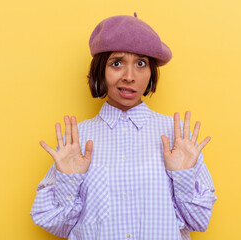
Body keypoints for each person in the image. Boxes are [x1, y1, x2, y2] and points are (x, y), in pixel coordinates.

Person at [30, 13, 217, 240]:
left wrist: (183, 177)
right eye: (116, 63)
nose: (129, 76)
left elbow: (198, 221)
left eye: (141, 63)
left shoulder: (176, 136)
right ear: (100, 70)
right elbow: (54, 224)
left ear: (151, 72)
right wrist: (69, 181)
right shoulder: (76, 139)